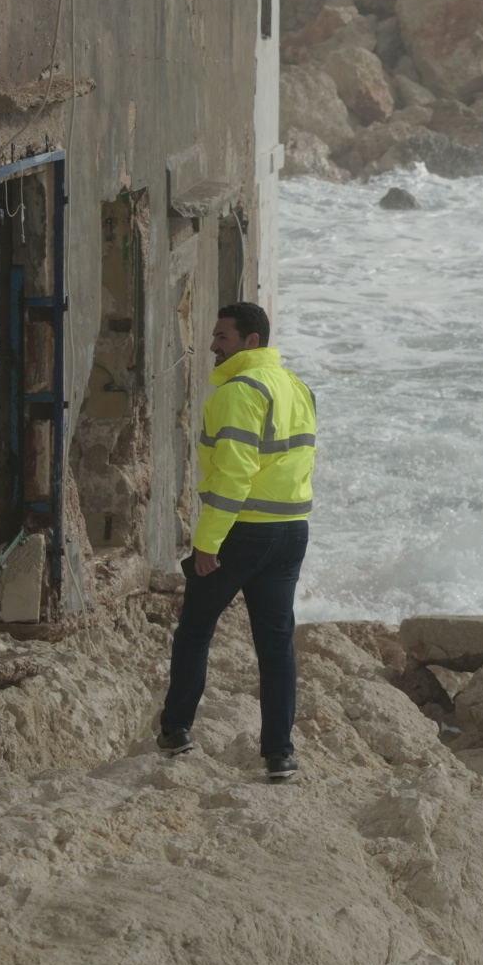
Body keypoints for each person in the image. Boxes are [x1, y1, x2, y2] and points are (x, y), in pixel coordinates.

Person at [156, 301, 317, 781]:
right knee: (276, 645)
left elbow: (233, 476)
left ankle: (176, 730)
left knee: (195, 630)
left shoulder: (238, 392)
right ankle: (280, 755)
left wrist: (207, 544)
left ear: (251, 341)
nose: (211, 346)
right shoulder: (297, 387)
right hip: (292, 531)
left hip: (245, 532)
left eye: (221, 337)